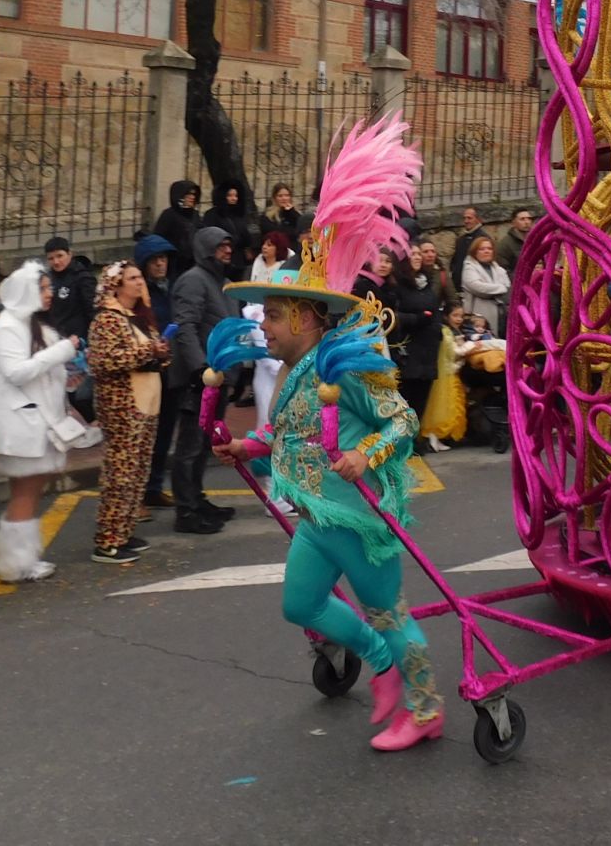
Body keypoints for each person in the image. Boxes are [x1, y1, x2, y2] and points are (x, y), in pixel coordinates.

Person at [216, 114, 442, 752]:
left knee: (392, 615)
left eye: (276, 317)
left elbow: (402, 421)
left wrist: (366, 457)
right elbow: (288, 438)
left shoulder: (348, 366)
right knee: (300, 604)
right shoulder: (293, 376)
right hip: (318, 517)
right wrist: (245, 449)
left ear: (309, 319)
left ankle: (425, 710)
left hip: (359, 519)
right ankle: (379, 667)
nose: (265, 329)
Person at [0, 262, 78, 583]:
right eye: (43, 288)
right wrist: (63, 351)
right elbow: (17, 372)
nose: (50, 293)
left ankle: (22, 559)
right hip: (22, 425)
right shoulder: (7, 326)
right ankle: (16, 564)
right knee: (25, 492)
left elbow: (43, 371)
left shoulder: (34, 325)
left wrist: (68, 368)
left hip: (36, 422)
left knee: (29, 492)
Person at [87, 261, 168, 564]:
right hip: (122, 407)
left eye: (139, 277)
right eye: (132, 278)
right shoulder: (107, 319)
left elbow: (144, 354)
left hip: (144, 403)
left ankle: (123, 531)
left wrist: (160, 354)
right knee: (120, 472)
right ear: (116, 285)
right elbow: (103, 361)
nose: (140, 282)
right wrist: (150, 351)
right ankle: (107, 540)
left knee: (137, 470)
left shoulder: (136, 317)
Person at [168, 226, 237, 533]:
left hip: (218, 377)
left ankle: (197, 498)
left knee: (205, 444)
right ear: (207, 248)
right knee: (190, 445)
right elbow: (186, 326)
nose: (227, 250)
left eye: (228, 245)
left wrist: (237, 370)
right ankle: (186, 511)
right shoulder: (193, 280)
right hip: (200, 380)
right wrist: (199, 370)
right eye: (221, 245)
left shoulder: (223, 283)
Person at [133, 234, 180, 511]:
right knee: (144, 435)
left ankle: (153, 488)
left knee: (164, 433)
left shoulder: (170, 288)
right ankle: (138, 495)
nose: (161, 264)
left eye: (164, 259)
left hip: (169, 369)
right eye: (155, 260)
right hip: (146, 370)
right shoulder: (140, 296)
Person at [388, 245, 443, 430]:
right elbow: (393, 315)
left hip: (428, 350)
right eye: (414, 254)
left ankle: (414, 436)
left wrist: (437, 330)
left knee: (421, 397)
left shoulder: (425, 283)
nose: (418, 257)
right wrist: (418, 319)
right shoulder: (398, 285)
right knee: (407, 396)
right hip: (409, 349)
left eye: (420, 253)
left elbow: (434, 310)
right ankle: (403, 437)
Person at [420, 302, 470, 448]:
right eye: (455, 315)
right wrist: (471, 347)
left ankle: (437, 437)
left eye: (461, 316)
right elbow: (454, 353)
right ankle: (435, 434)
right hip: (448, 375)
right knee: (446, 406)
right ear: (446, 316)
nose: (459, 319)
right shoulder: (446, 332)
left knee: (447, 406)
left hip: (450, 372)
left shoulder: (452, 331)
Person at [201, 181, 257, 282]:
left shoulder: (238, 215)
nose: (234, 198)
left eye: (236, 195)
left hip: (238, 260)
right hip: (221, 259)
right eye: (230, 195)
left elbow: (246, 237)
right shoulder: (212, 214)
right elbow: (210, 236)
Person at [43, 238, 96, 342]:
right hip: (54, 338)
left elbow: (92, 311)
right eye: (51, 258)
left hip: (78, 340)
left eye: (60, 256)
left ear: (69, 254)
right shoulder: (47, 279)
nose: (56, 262)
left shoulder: (83, 278)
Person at [459, 236, 510, 335]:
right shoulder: (469, 267)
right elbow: (477, 287)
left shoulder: (497, 268)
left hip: (501, 314)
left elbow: (508, 285)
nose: (487, 251)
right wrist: (500, 288)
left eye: (489, 249)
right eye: (482, 249)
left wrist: (497, 289)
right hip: (478, 316)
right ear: (475, 252)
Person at [152, 181, 203, 277]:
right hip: (174, 265)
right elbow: (159, 238)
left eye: (194, 194)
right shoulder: (168, 215)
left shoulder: (195, 215)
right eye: (188, 194)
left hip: (194, 264)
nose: (192, 197)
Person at [449, 206, 487, 281]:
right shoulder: (460, 239)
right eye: (464, 218)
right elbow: (455, 261)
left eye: (469, 218)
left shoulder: (483, 239)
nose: (466, 221)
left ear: (478, 220)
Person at [494, 207, 534, 273]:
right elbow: (504, 271)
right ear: (514, 223)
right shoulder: (505, 245)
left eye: (529, 219)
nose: (527, 222)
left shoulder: (535, 241)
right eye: (522, 219)